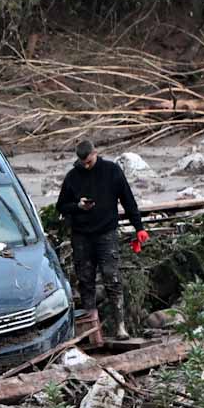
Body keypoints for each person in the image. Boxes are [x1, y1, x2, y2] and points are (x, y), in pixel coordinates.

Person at [55, 139, 147, 338]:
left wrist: (139, 227)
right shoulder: (72, 177)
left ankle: (120, 326)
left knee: (112, 278)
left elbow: (128, 200)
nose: (86, 166)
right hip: (81, 236)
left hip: (106, 233)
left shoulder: (112, 171)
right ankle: (92, 331)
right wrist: (78, 206)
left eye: (89, 162)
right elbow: (61, 206)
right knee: (85, 281)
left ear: (95, 153)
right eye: (83, 163)